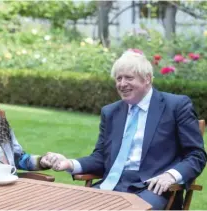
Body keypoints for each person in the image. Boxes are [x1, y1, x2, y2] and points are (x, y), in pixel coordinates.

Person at [41, 50, 206, 210]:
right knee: (65, 205)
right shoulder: (111, 112)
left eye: (128, 78)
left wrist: (171, 176)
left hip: (153, 189)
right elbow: (101, 157)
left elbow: (196, 156)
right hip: (112, 185)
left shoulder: (175, 106)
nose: (122, 84)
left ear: (147, 79)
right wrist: (69, 163)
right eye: (118, 78)